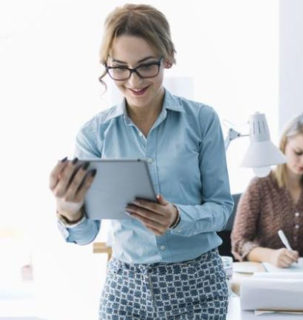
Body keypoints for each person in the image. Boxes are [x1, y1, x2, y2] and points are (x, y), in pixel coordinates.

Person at [48, 4, 233, 319]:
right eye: (119, 67)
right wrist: (68, 212)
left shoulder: (202, 120)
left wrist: (177, 217)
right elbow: (84, 236)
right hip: (126, 289)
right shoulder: (94, 134)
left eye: (146, 65)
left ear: (168, 58)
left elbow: (222, 209)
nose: (133, 80)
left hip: (198, 286)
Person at [231, 113, 303, 269]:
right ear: (284, 144)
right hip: (267, 273)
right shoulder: (260, 185)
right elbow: (239, 242)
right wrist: (270, 256)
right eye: (298, 152)